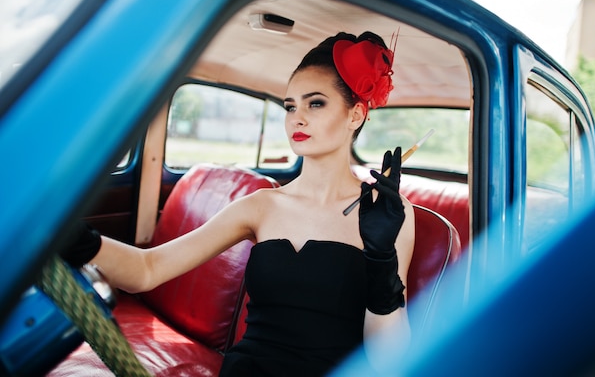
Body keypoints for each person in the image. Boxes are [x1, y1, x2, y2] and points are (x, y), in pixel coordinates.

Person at [62, 31, 415, 376]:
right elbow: (148, 269)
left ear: (355, 115)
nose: (297, 118)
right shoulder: (260, 205)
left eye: (316, 103)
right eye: (290, 106)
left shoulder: (387, 214)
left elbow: (390, 362)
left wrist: (382, 259)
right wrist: (72, 239)